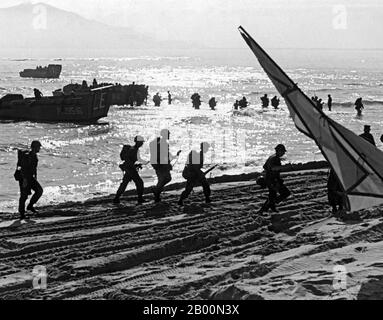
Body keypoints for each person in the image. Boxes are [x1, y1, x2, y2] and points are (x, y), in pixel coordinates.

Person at [113, 136, 149, 205]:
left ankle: (116, 198)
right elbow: (128, 160)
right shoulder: (133, 149)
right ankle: (140, 199)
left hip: (128, 168)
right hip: (130, 169)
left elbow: (138, 159)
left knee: (124, 183)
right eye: (141, 142)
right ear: (138, 142)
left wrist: (145, 162)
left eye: (142, 142)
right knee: (139, 183)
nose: (142, 143)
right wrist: (135, 166)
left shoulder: (135, 149)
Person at [257, 144, 291, 214]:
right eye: (283, 151)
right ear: (279, 151)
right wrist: (285, 167)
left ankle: (269, 209)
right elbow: (273, 168)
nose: (284, 153)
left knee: (272, 195)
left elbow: (264, 166)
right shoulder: (275, 158)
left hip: (269, 179)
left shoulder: (271, 157)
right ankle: (269, 206)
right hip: (273, 180)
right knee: (286, 193)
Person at [150, 129, 182, 203]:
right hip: (161, 165)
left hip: (158, 164)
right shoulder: (163, 143)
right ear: (164, 135)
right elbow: (163, 155)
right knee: (167, 178)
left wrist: (176, 155)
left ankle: (156, 194)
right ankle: (156, 191)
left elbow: (165, 154)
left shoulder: (161, 142)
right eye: (168, 134)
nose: (169, 135)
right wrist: (166, 164)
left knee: (162, 179)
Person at [15, 141, 43, 219]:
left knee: (39, 190)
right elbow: (23, 169)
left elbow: (34, 169)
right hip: (24, 178)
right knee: (24, 196)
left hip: (31, 177)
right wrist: (24, 180)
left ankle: (30, 206)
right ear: (34, 147)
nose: (39, 148)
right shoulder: (27, 156)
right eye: (38, 147)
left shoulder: (35, 156)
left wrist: (35, 178)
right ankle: (22, 213)